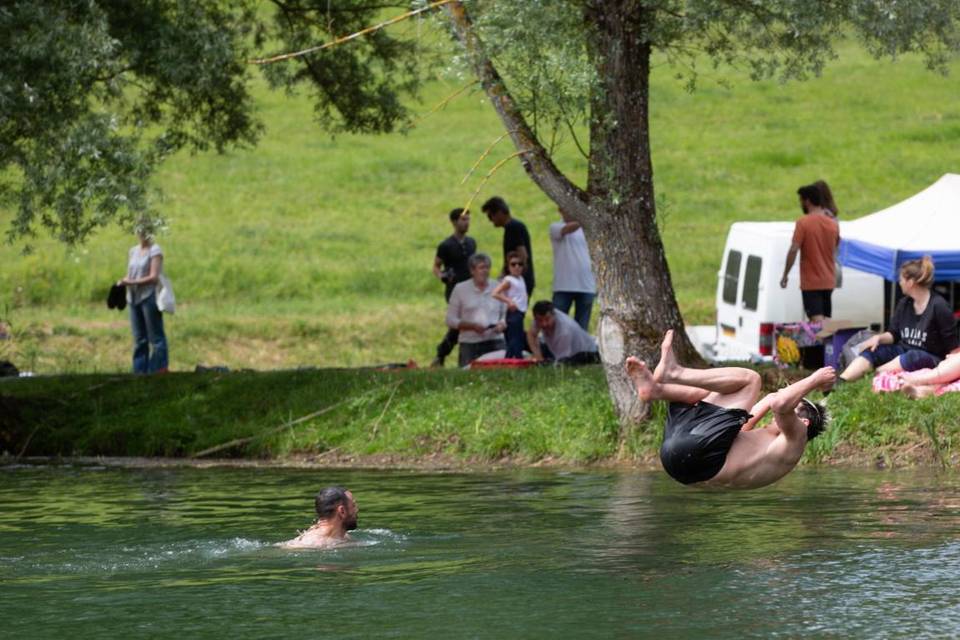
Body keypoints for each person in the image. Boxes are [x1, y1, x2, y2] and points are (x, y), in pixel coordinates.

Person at [626, 330, 833, 489]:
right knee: (706, 395)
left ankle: (675, 372)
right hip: (680, 460)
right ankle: (657, 390)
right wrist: (768, 399)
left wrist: (815, 379)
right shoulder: (766, 442)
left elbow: (780, 404)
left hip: (700, 456)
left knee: (751, 380)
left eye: (794, 407)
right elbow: (740, 423)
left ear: (803, 422)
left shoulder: (795, 440)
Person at [839, 256, 958, 383]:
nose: (899, 282)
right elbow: (893, 334)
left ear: (911, 282)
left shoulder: (939, 306)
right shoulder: (904, 303)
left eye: (901, 279)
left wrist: (950, 369)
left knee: (912, 356)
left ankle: (870, 378)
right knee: (876, 350)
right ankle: (841, 382)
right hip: (903, 351)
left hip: (931, 358)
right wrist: (878, 338)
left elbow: (954, 348)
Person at [780, 183, 840, 321]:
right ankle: (826, 342)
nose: (800, 204)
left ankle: (820, 343)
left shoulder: (803, 223)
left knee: (816, 320)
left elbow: (794, 249)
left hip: (812, 282)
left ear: (807, 201)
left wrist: (785, 275)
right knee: (825, 320)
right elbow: (836, 249)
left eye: (801, 201)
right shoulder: (833, 224)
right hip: (829, 280)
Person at [118, 222, 169, 374]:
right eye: (139, 230)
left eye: (144, 230)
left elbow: (153, 277)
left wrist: (131, 282)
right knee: (139, 338)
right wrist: (122, 282)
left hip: (148, 296)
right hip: (133, 297)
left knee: (156, 337)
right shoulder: (133, 251)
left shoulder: (155, 250)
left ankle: (157, 370)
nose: (141, 234)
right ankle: (139, 372)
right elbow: (130, 273)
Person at [432, 208, 477, 367]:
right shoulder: (446, 245)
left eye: (468, 219)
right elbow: (436, 267)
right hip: (454, 291)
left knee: (462, 325)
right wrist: (442, 276)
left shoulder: (471, 243)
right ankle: (443, 354)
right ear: (454, 222)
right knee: (461, 324)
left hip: (471, 289)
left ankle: (444, 354)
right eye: (463, 219)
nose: (466, 223)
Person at [446, 253, 507, 366]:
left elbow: (505, 314)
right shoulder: (460, 289)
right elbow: (450, 319)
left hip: (495, 341)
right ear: (472, 271)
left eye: (487, 267)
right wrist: (471, 326)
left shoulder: (498, 287)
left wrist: (502, 324)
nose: (485, 271)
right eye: (481, 267)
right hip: (470, 343)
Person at [549, 208, 597, 331]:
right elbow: (566, 230)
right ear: (560, 211)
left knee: (582, 328)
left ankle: (580, 351)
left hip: (586, 285)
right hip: (563, 286)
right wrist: (585, 217)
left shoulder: (588, 231)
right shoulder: (555, 227)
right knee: (558, 326)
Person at [482, 196, 535, 299]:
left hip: (518, 283)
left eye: (490, 216)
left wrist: (511, 278)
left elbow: (522, 255)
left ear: (499, 213)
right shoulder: (513, 227)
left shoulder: (512, 228)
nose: (490, 220)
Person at [281, 487, 359, 549]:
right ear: (342, 511)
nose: (357, 509)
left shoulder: (344, 537)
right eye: (353, 505)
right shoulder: (309, 544)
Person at [526, 300, 600, 365]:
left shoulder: (564, 330)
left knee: (564, 363)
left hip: (586, 353)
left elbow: (562, 362)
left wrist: (542, 363)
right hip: (561, 351)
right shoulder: (540, 319)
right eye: (540, 320)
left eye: (547, 319)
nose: (544, 324)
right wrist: (538, 356)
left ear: (553, 315)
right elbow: (531, 335)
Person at [491, 251, 529, 358]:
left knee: (517, 336)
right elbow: (495, 293)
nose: (517, 267)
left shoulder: (521, 279)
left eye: (520, 264)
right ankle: (515, 358)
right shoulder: (509, 280)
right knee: (514, 338)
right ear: (508, 267)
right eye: (513, 264)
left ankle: (512, 357)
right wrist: (509, 301)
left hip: (521, 312)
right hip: (514, 312)